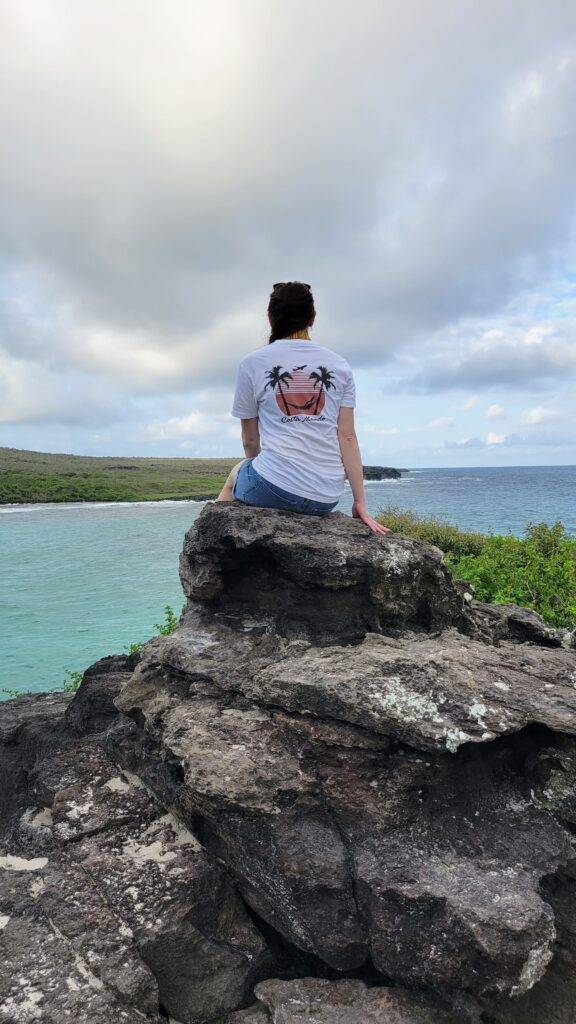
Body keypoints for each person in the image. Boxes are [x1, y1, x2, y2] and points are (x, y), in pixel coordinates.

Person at [217, 281, 389, 536]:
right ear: (312, 318)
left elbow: (250, 440)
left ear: (270, 317)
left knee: (236, 474)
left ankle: (214, 548)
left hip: (273, 487)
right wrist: (359, 502)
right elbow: (348, 437)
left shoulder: (252, 363)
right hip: (325, 497)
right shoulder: (339, 365)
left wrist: (267, 473)